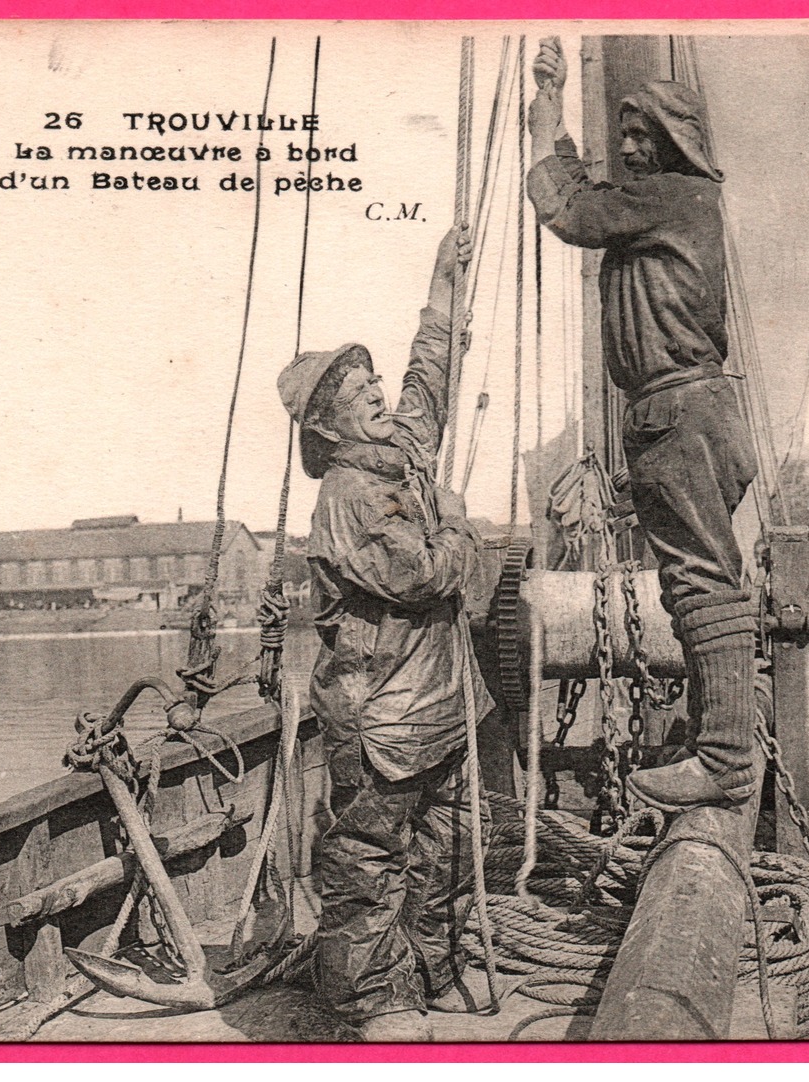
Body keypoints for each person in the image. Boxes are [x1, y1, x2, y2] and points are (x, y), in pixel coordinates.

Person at [524, 37, 760, 813]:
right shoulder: (665, 202)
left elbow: (565, 209)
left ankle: (724, 760)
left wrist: (542, 124)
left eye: (639, 137)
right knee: (697, 585)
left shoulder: (672, 195)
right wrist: (556, 113)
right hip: (682, 413)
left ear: (671, 143)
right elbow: (588, 192)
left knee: (699, 583)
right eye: (622, 134)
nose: (625, 149)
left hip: (678, 412)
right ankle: (715, 745)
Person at [276, 227, 492, 1042]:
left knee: (444, 845)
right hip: (383, 722)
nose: (373, 392)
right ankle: (373, 1006)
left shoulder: (396, 456)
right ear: (328, 428)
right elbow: (421, 575)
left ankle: (426, 972)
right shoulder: (349, 496)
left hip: (435, 705)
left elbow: (426, 389)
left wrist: (441, 292)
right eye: (353, 391)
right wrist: (464, 529)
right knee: (366, 861)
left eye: (370, 379)